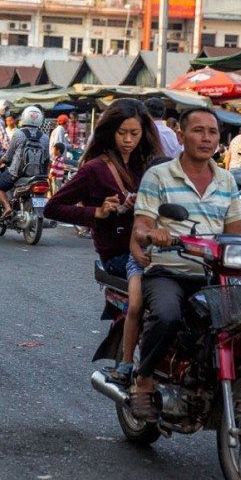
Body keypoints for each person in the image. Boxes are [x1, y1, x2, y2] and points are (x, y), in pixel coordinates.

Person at [129, 108, 241, 420]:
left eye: (213, 132)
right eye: (198, 130)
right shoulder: (159, 176)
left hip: (218, 272)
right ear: (181, 136)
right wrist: (156, 234)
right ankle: (144, 379)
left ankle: (229, 383)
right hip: (170, 269)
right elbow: (141, 226)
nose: (206, 138)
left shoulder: (226, 179)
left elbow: (235, 231)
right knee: (167, 315)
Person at [45, 100, 162, 384]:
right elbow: (53, 208)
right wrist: (96, 212)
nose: (128, 140)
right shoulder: (95, 169)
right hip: (119, 255)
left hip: (154, 246)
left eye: (134, 133)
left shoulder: (148, 164)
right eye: (122, 133)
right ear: (110, 131)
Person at [0, 106, 49, 218]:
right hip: (37, 176)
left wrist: (2, 160)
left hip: (16, 173)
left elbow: (9, 155)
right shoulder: (45, 137)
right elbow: (47, 158)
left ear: (24, 117)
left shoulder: (18, 134)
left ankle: (7, 207)